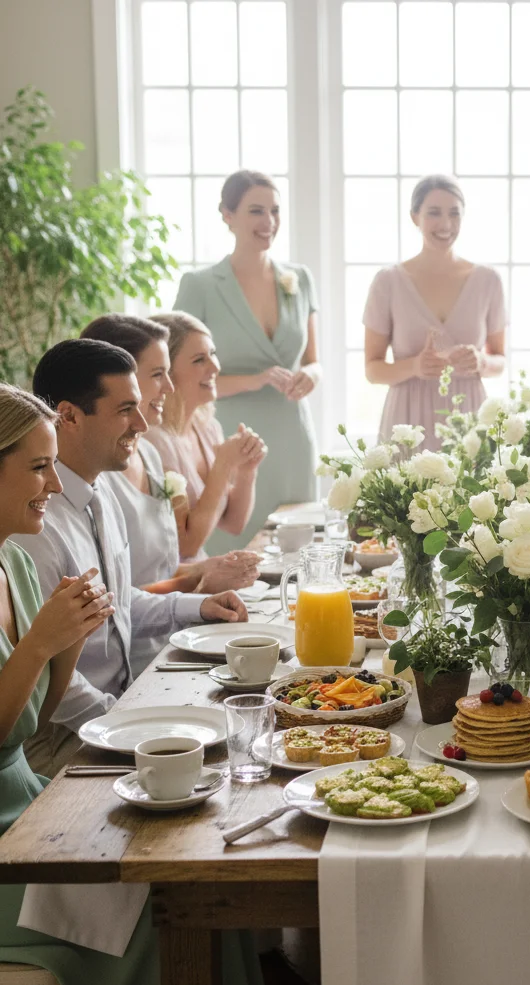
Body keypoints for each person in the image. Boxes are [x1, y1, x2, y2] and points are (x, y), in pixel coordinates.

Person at [0, 382, 271, 985]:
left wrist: (66, 643)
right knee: (165, 906)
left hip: (29, 801)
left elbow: (32, 715)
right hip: (9, 840)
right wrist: (42, 645)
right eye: (38, 467)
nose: (55, 485)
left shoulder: (15, 562)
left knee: (200, 872)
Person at [14, 339, 248, 776]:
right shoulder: (34, 525)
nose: (141, 424)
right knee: (228, 757)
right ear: (68, 416)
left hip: (116, 707)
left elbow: (119, 606)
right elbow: (46, 682)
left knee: (243, 723)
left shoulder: (99, 494)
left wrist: (198, 606)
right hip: (61, 738)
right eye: (125, 410)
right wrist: (125, 721)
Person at [81, 314, 261, 675]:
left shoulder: (145, 454)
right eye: (158, 374)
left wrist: (206, 574)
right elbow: (118, 594)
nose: (168, 388)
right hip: (138, 657)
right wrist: (198, 581)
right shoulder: (99, 476)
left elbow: (167, 559)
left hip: (178, 633)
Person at [174, 169, 319, 549]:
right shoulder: (199, 286)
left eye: (274, 210)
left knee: (297, 550)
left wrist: (310, 376)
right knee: (231, 554)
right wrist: (255, 379)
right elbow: (179, 378)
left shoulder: (299, 279)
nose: (269, 222)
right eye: (256, 210)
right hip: (231, 437)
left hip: (292, 435)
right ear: (227, 214)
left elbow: (313, 360)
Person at [364, 174, 506, 450]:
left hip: (468, 418)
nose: (446, 224)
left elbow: (500, 360)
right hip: (407, 420)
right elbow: (372, 370)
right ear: (414, 217)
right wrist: (415, 366)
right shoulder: (388, 281)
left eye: (454, 213)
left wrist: (480, 361)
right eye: (434, 213)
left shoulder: (488, 280)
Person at [146, 311, 267, 561]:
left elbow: (234, 523)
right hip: (172, 582)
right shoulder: (155, 442)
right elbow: (185, 547)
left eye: (213, 354)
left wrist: (246, 470)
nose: (216, 367)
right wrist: (223, 465)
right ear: (166, 371)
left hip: (203, 570)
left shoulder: (207, 425)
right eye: (199, 359)